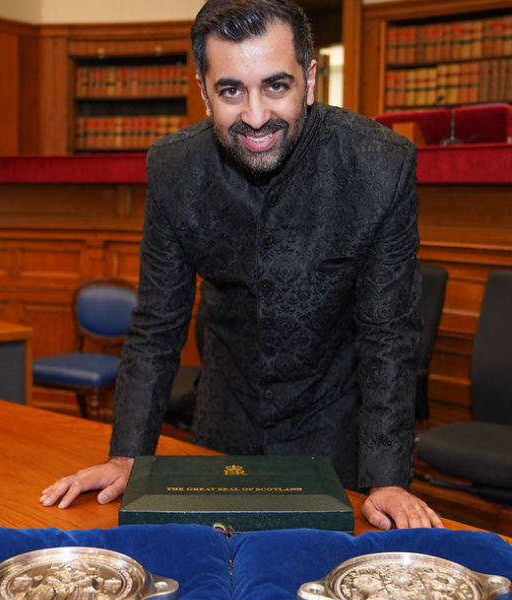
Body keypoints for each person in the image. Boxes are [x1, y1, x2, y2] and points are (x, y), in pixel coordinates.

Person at [41, 0, 443, 531]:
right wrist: (127, 457)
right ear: (204, 90)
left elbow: (388, 333)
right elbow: (158, 324)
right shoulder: (172, 168)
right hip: (222, 418)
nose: (256, 117)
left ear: (311, 78)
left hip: (334, 429)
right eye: (232, 90)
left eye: (276, 86)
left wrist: (388, 478)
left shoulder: (380, 165)